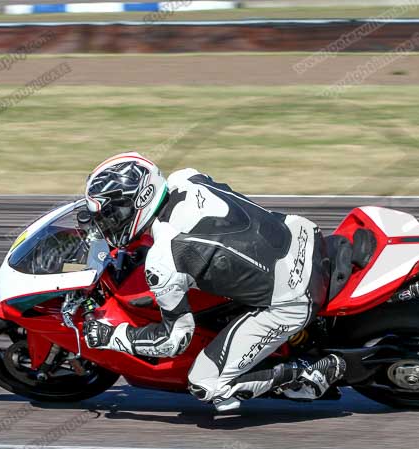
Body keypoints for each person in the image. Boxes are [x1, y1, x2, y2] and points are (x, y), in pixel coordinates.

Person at [81, 152, 345, 411]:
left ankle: (308, 372)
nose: (108, 222)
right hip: (301, 233)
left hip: (293, 296)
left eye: (113, 213)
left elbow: (174, 341)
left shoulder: (164, 259)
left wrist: (113, 336)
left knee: (205, 383)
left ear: (142, 200)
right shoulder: (186, 178)